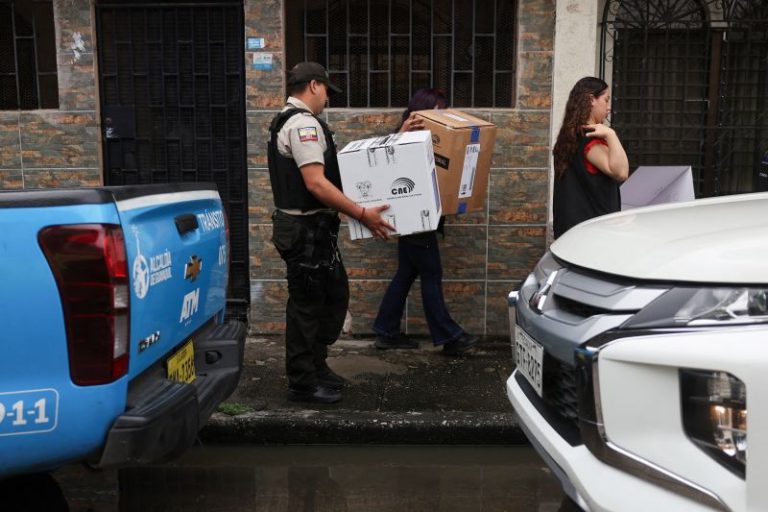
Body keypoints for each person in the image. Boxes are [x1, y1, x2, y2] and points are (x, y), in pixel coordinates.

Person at [268, 62, 394, 403]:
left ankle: (316, 365)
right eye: (326, 90)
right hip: (305, 230)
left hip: (314, 230)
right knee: (307, 306)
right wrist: (363, 214)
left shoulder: (292, 121)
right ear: (313, 85)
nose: (327, 98)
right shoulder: (303, 124)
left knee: (333, 296)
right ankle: (302, 382)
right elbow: (316, 184)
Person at [372, 88, 478, 356]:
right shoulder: (405, 136)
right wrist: (403, 133)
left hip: (423, 216)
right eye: (437, 110)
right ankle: (449, 336)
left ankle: (386, 331)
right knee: (431, 274)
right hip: (416, 217)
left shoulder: (432, 138)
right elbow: (384, 162)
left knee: (406, 273)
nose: (441, 116)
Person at [552, 76, 629, 239]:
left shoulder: (569, 137)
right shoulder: (589, 139)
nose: (609, 107)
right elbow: (621, 172)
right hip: (593, 234)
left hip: (570, 232)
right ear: (591, 100)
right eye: (606, 100)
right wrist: (611, 134)